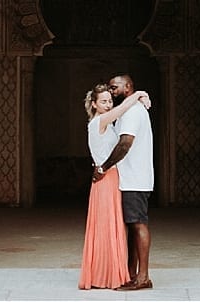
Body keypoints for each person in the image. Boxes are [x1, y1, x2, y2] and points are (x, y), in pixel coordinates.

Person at [78, 83, 151, 290]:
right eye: (103, 101)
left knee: (113, 227)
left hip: (111, 177)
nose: (108, 105)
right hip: (106, 178)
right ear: (94, 104)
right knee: (108, 227)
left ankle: (111, 273)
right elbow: (122, 109)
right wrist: (139, 94)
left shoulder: (108, 124)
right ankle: (106, 275)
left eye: (110, 101)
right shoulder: (99, 121)